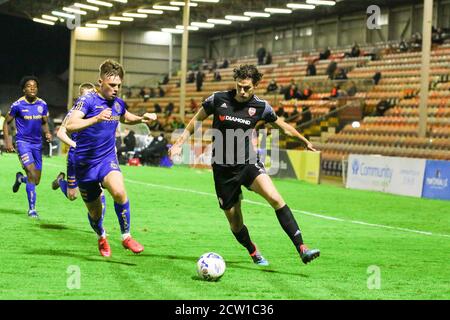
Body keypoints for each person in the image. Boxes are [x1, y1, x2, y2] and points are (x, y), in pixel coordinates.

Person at [169, 64, 320, 267]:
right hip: (223, 170)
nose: (242, 91)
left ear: (255, 85)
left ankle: (302, 248)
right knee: (235, 221)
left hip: (248, 163)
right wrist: (178, 144)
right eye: (239, 86)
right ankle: (253, 250)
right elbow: (195, 122)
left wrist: (304, 141)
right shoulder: (218, 99)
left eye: (247, 87)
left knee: (275, 198)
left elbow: (283, 127)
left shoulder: (261, 107)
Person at [66, 59, 157, 257]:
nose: (115, 89)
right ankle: (101, 235)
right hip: (84, 164)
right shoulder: (88, 100)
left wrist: (142, 118)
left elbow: (125, 116)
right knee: (95, 214)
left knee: (119, 191)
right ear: (100, 82)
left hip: (107, 159)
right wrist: (96, 119)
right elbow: (70, 125)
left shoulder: (117, 103)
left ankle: (126, 237)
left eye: (118, 85)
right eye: (111, 85)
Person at [51, 82, 107, 210]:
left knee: (98, 189)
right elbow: (60, 133)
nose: (89, 97)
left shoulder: (99, 110)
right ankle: (60, 181)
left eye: (92, 94)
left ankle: (100, 227)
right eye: (86, 95)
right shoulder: (74, 113)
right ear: (80, 96)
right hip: (76, 156)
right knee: (72, 196)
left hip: (94, 156)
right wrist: (75, 145)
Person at [3, 76, 52, 218]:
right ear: (24, 89)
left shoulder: (42, 104)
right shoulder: (17, 105)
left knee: (35, 180)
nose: (32, 88)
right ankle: (32, 209)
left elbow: (44, 122)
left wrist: (47, 132)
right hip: (23, 143)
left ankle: (20, 179)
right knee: (31, 173)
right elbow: (6, 122)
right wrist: (8, 141)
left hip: (37, 144)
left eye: (35, 86)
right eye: (29, 86)